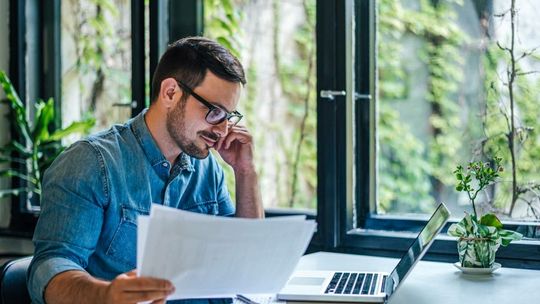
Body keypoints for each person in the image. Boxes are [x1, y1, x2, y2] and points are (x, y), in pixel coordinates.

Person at [27, 37, 263, 304]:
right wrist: (104, 295)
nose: (222, 130)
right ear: (170, 93)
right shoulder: (91, 162)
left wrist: (246, 171)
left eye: (229, 116)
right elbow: (49, 270)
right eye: (214, 112)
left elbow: (245, 263)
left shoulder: (208, 168)